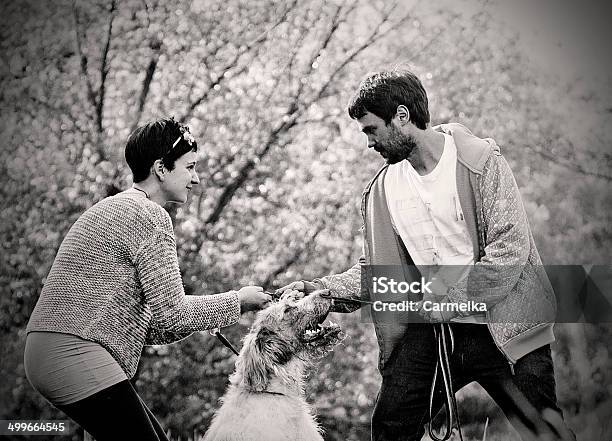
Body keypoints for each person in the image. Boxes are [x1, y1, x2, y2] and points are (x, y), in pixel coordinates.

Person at [278, 71, 575, 441]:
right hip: (435, 330)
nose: (369, 143)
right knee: (391, 426)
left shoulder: (481, 161)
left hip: (507, 323)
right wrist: (321, 290)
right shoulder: (383, 189)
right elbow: (380, 271)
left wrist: (450, 299)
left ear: (402, 116)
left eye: (371, 130)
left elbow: (510, 249)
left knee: (545, 433)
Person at [25, 118, 271, 441]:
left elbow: (154, 326)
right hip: (74, 350)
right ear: (161, 168)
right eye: (190, 167)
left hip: (49, 349)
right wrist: (238, 301)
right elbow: (175, 312)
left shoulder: (113, 208)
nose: (195, 179)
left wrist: (213, 315)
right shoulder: (149, 215)